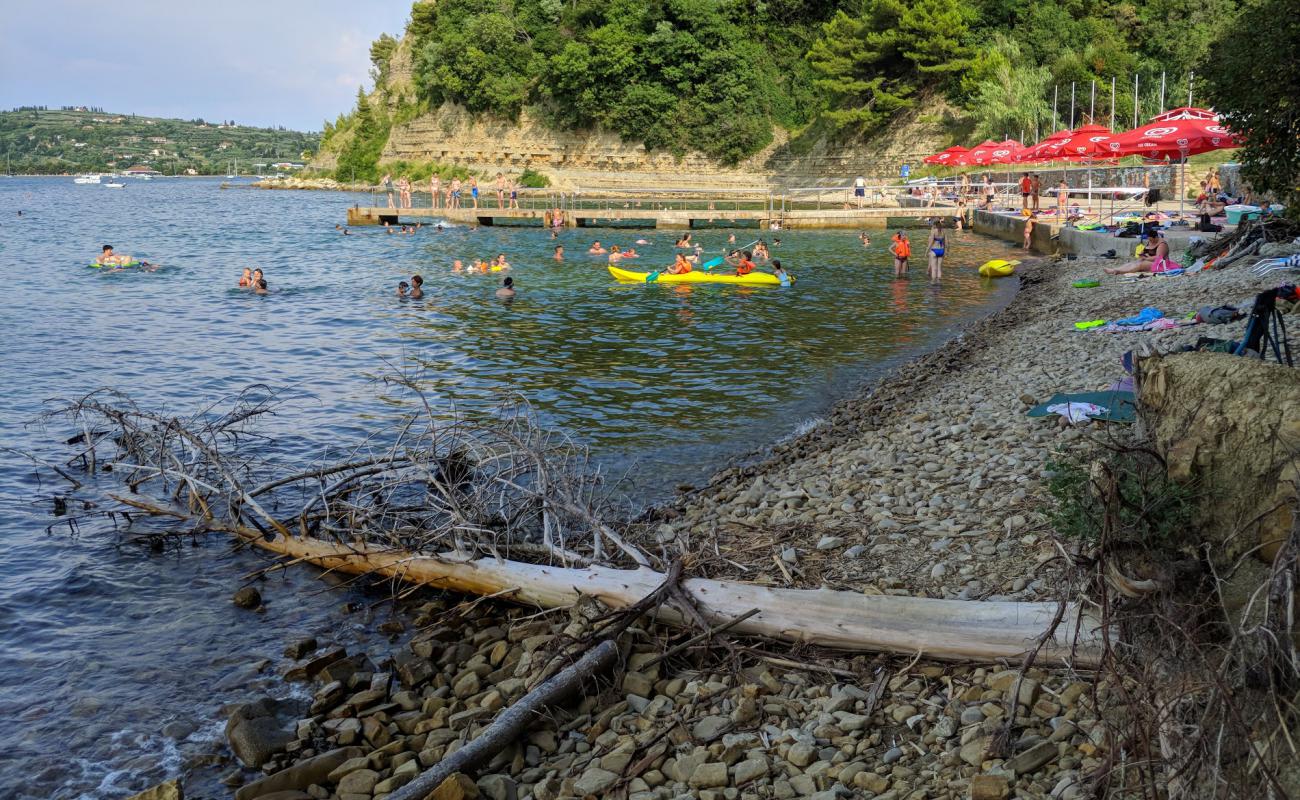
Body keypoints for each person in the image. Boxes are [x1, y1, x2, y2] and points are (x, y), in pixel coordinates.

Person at [1104, 231, 1182, 275]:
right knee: (1133, 262)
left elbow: (1158, 258)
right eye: (1149, 240)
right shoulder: (1150, 242)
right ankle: (1115, 269)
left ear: (1156, 237)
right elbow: (1145, 251)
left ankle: (1120, 272)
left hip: (1160, 264)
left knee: (1141, 265)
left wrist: (1146, 258)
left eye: (1151, 240)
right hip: (1150, 260)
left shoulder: (1162, 244)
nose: (1150, 241)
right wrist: (1142, 254)